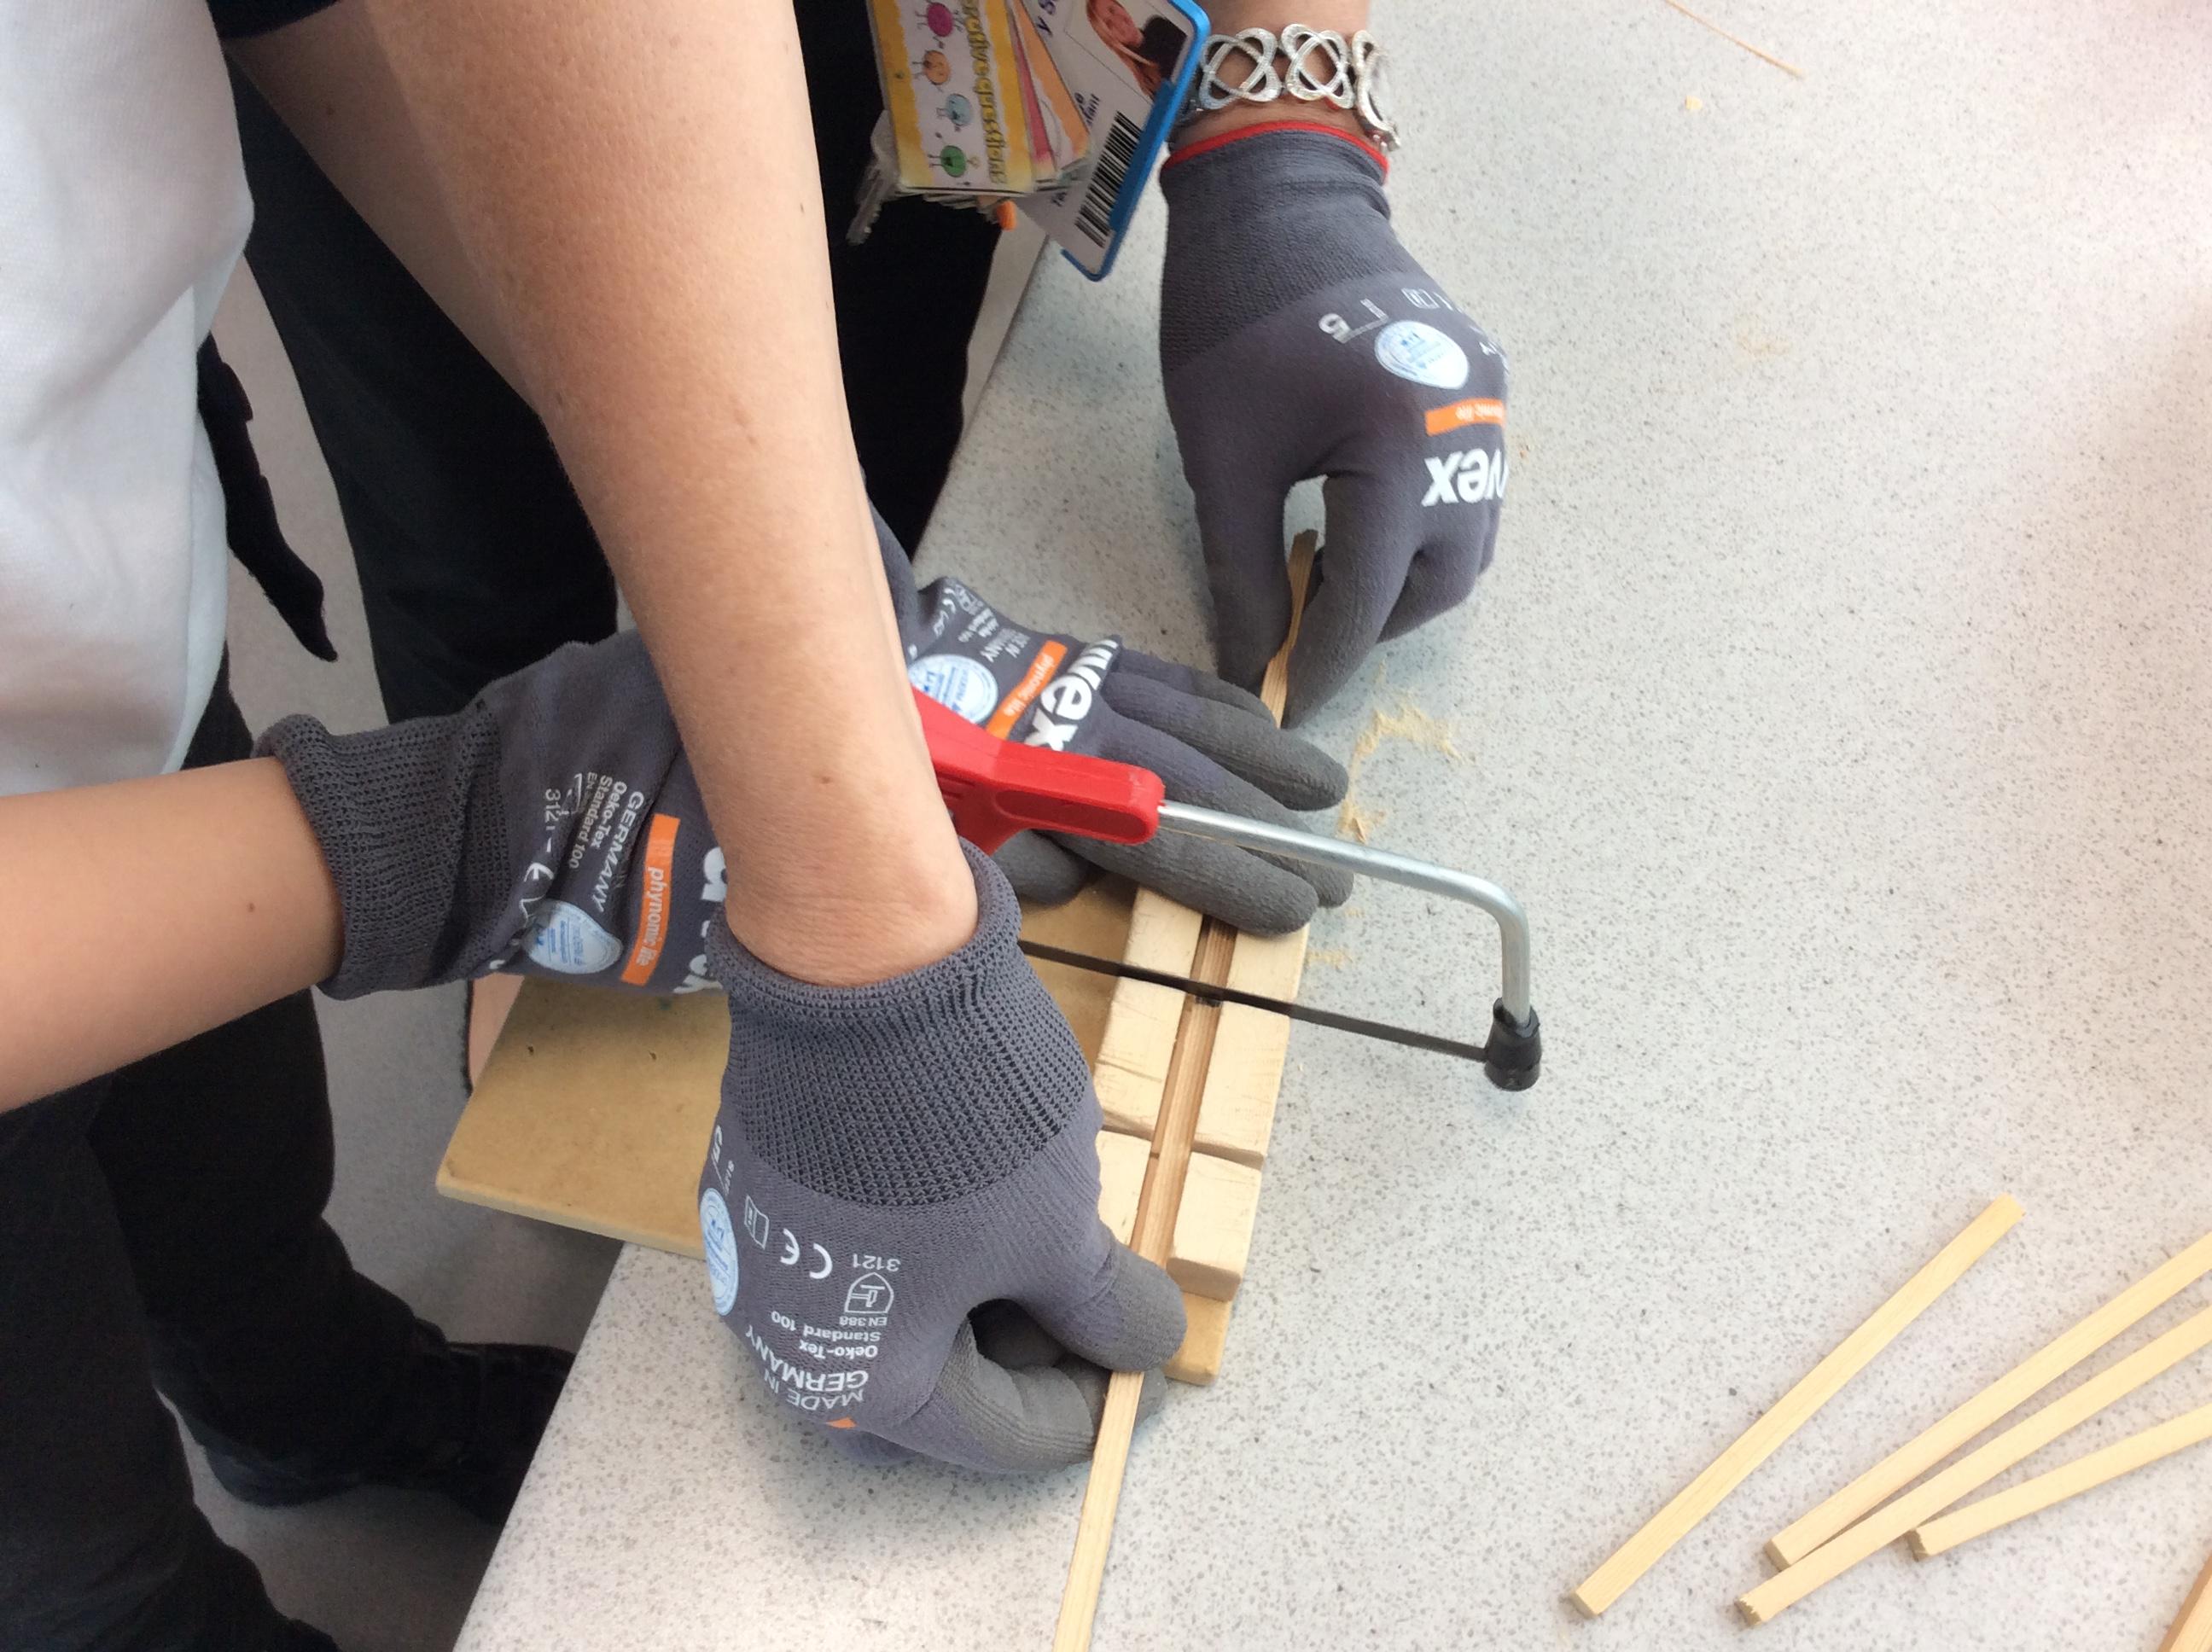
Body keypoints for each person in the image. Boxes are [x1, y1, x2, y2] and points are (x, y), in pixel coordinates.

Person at [1, 3, 1507, 1649]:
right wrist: (451, 830)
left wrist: (814, 617)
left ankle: (311, 1404)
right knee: (80, 1556)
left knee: (225, 1174)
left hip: (117, 696)